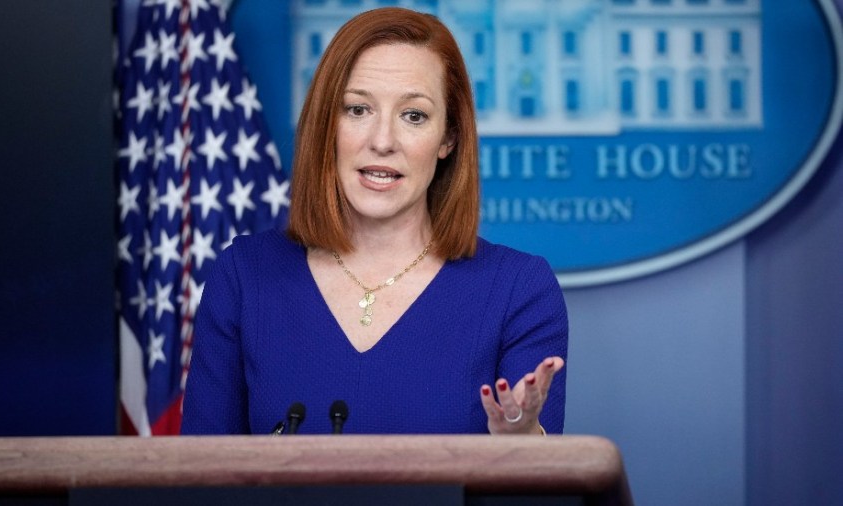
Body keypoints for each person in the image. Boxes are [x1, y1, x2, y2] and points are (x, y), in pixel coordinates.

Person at [181, 7, 567, 436]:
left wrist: (522, 445)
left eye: (413, 115)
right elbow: (201, 479)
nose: (382, 141)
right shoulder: (243, 276)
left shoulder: (518, 289)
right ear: (327, 124)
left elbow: (536, 488)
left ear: (448, 138)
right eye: (357, 109)